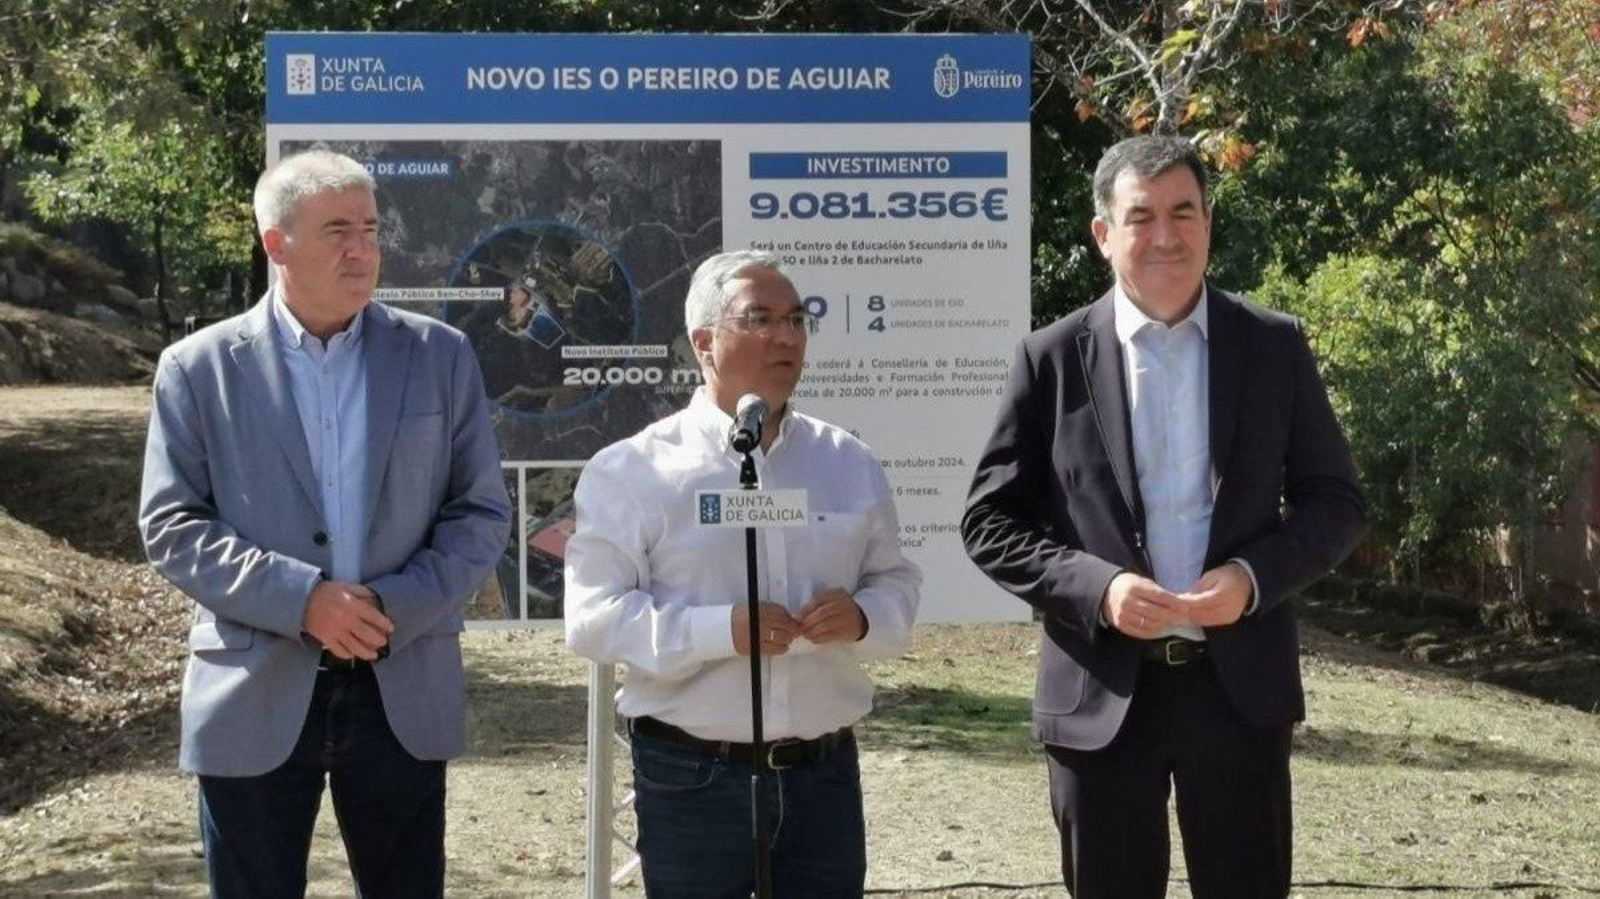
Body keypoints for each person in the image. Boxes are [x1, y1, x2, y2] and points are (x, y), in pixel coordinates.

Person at [962, 135, 1366, 899]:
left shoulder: (1273, 346)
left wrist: (1251, 579)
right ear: (1102, 234)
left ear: (1209, 222)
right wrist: (1098, 588)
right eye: (1140, 216)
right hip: (1100, 695)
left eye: (1184, 211)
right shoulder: (1050, 358)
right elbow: (990, 522)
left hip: (1237, 690)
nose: (1166, 235)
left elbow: (1336, 502)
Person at [138, 149, 512, 898]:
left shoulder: (440, 356)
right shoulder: (197, 366)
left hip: (398, 681)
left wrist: (391, 607)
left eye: (370, 229)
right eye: (337, 229)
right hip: (255, 687)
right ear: (277, 244)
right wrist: (302, 599)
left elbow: (479, 513)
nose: (362, 249)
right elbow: (173, 523)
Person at [564, 250, 921, 898]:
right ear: (704, 342)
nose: (785, 337)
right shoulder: (634, 470)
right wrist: (719, 630)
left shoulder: (848, 462)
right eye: (759, 319)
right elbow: (591, 619)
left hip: (823, 774)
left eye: (795, 320)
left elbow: (895, 581)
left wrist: (865, 616)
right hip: (693, 776)